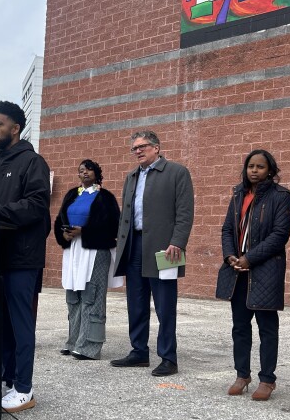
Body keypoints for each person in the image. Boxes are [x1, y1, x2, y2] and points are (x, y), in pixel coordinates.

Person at [0, 100, 51, 413]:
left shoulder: (32, 162)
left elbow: (37, 204)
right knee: (1, 323)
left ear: (15, 128)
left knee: (20, 324)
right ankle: (7, 378)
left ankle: (24, 388)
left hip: (22, 258)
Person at [111, 131, 194, 376]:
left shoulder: (177, 172)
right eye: (134, 148)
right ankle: (139, 352)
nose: (138, 151)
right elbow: (126, 215)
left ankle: (168, 358)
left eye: (142, 146)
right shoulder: (131, 176)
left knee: (165, 305)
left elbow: (185, 212)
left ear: (156, 148)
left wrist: (178, 242)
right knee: (136, 303)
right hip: (134, 246)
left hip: (165, 249)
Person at [216, 150, 290, 401]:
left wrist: (249, 258)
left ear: (270, 170)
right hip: (237, 271)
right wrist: (230, 255)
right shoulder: (238, 194)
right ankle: (242, 375)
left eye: (260, 167)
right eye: (251, 166)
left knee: (267, 328)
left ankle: (267, 379)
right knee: (240, 326)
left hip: (266, 270)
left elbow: (279, 235)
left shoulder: (281, 197)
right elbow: (227, 229)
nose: (254, 170)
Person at [54, 159, 122, 360]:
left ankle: (90, 347)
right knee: (73, 297)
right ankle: (74, 341)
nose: (84, 172)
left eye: (89, 169)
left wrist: (84, 231)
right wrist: (63, 234)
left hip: (96, 251)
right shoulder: (71, 195)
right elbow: (59, 220)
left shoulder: (105, 197)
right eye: (81, 170)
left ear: (97, 173)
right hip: (73, 250)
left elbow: (113, 227)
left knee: (92, 297)